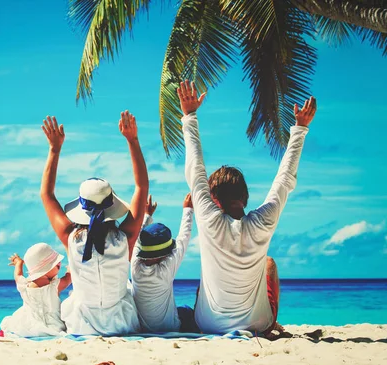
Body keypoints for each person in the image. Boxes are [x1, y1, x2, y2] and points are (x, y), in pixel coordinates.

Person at [178, 79, 316, 334]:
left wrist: (190, 115)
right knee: (269, 263)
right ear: (245, 196)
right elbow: (284, 180)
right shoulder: (262, 223)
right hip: (258, 326)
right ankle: (271, 321)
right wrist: (300, 128)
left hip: (207, 325)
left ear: (214, 199)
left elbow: (195, 168)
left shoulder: (209, 221)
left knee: (205, 278)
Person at [40, 111, 148, 335]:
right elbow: (141, 188)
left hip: (82, 324)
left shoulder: (71, 238)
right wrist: (132, 140)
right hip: (122, 323)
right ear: (111, 206)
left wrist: (54, 149)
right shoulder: (124, 239)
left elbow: (47, 195)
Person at [131, 194, 197, 333]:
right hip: (170, 327)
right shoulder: (165, 270)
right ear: (165, 253)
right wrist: (188, 209)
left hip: (142, 328)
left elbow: (139, 239)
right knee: (187, 311)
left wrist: (147, 215)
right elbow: (184, 238)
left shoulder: (135, 265)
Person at [0, 243, 71, 337]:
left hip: (28, 326)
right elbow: (68, 278)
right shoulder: (54, 286)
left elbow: (18, 275)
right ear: (47, 268)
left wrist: (18, 263)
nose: (60, 265)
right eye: (57, 265)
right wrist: (70, 269)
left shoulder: (24, 285)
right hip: (53, 326)